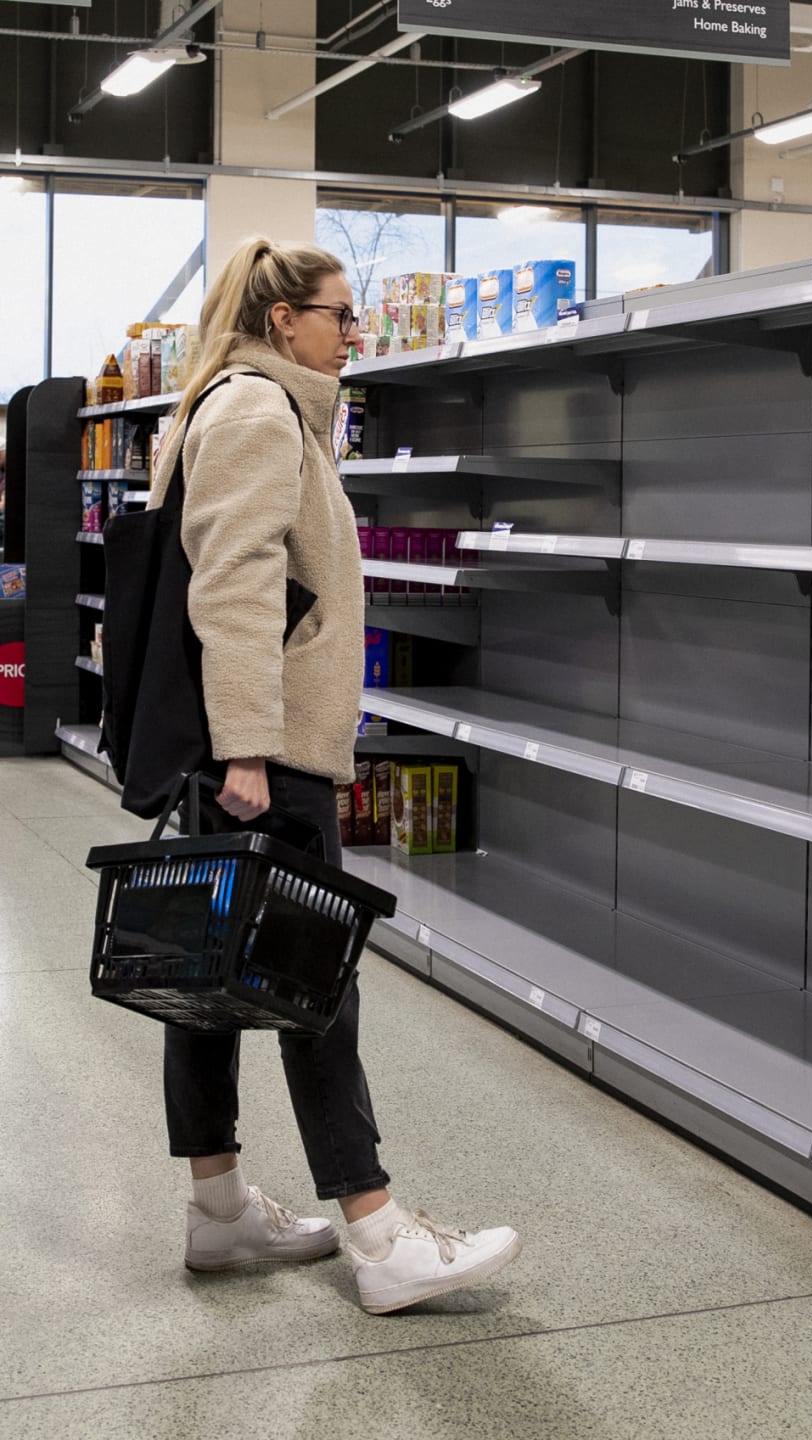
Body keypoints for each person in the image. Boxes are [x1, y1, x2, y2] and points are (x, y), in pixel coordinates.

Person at [147, 236, 521, 1314]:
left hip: (246, 747)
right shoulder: (261, 413)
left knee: (213, 978)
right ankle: (378, 1234)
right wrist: (252, 749)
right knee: (318, 985)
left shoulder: (252, 405)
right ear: (284, 322)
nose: (354, 333)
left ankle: (219, 1214)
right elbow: (233, 588)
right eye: (340, 314)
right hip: (266, 754)